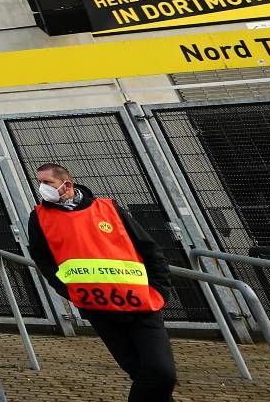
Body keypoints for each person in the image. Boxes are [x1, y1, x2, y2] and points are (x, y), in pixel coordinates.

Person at [27, 163, 176, 401]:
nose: (42, 188)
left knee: (162, 373)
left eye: (47, 183)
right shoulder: (40, 217)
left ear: (67, 184)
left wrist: (159, 289)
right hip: (98, 307)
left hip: (141, 304)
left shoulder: (108, 208)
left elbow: (148, 248)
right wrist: (70, 291)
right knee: (141, 373)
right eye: (39, 183)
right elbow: (43, 258)